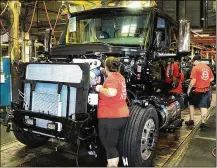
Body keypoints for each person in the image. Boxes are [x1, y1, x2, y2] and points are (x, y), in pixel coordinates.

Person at [95, 57, 129, 167]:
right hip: (121, 115)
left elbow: (112, 92)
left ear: (106, 67)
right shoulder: (120, 77)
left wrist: (99, 88)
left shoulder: (112, 79)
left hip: (110, 117)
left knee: (109, 146)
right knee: (112, 145)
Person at [185, 55, 214, 130]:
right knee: (203, 106)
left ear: (196, 61)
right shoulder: (207, 67)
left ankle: (191, 120)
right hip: (206, 90)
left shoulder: (195, 68)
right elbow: (212, 78)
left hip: (197, 90)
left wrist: (188, 90)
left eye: (193, 62)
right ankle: (203, 123)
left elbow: (193, 81)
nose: (193, 63)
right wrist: (205, 82)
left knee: (191, 104)